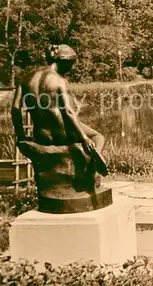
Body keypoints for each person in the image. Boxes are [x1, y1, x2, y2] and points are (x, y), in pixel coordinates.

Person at [11, 44, 107, 194]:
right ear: (65, 61)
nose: (71, 68)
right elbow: (68, 112)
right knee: (97, 136)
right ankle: (97, 155)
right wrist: (84, 139)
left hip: (41, 136)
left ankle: (94, 156)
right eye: (71, 64)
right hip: (63, 133)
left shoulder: (26, 78)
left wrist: (21, 136)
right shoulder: (59, 81)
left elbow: (15, 109)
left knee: (85, 131)